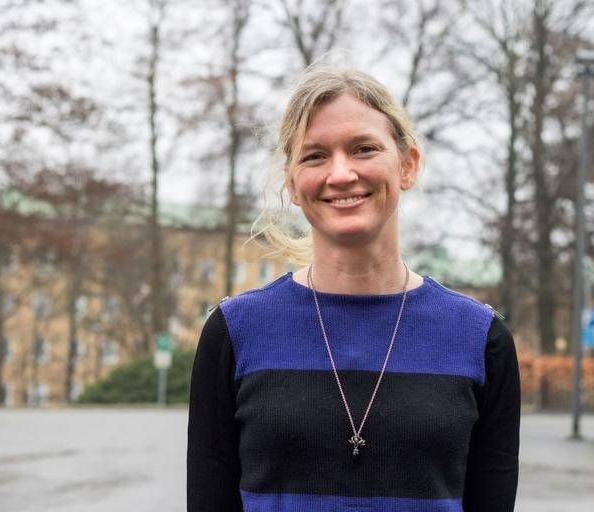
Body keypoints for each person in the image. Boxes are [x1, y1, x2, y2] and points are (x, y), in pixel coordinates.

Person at [187, 67, 520, 512]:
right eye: (315, 156)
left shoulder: (480, 339)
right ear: (291, 183)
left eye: (364, 149)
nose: (341, 174)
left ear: (407, 165)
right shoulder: (235, 331)